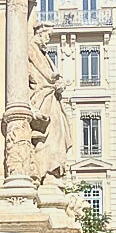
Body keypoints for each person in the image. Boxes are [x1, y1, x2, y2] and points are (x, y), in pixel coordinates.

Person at [27, 22, 72, 184]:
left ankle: (51, 170)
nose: (48, 39)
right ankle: (45, 171)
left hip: (50, 97)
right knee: (47, 136)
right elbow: (45, 75)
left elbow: (51, 75)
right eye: (47, 35)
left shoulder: (42, 52)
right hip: (42, 98)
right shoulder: (31, 48)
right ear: (39, 33)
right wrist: (56, 81)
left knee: (55, 135)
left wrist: (59, 82)